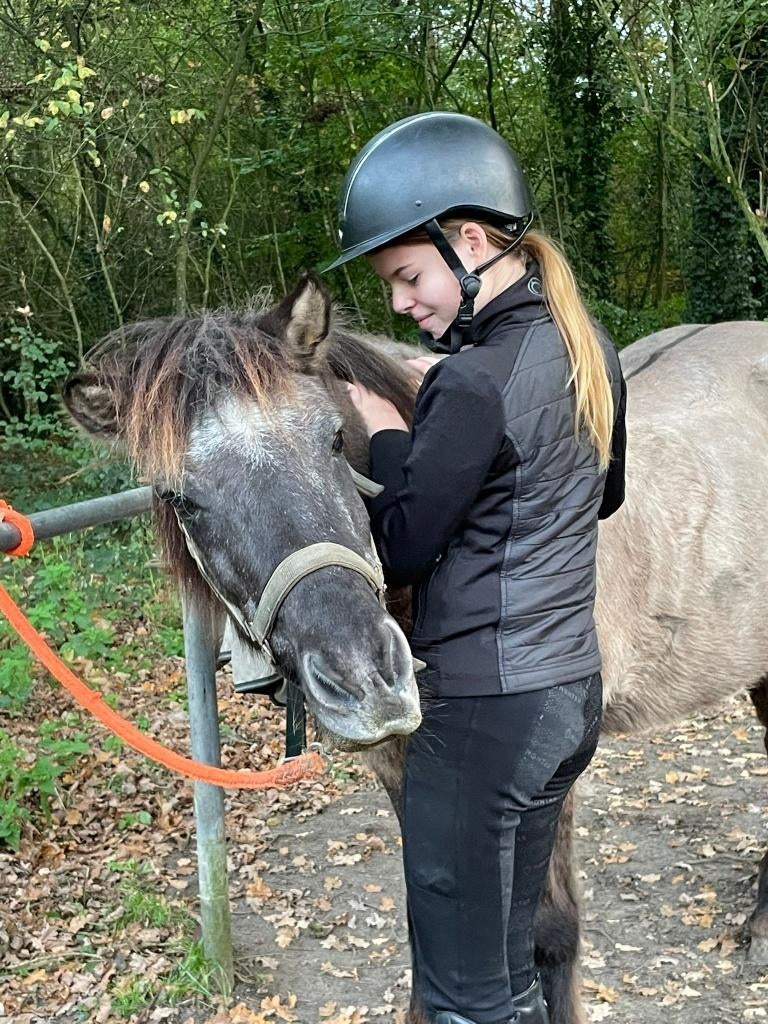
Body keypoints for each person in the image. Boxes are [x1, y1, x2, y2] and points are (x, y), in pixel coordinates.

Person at [325, 111, 627, 1024]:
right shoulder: (590, 350)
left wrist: (383, 433)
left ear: (468, 241)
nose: (401, 304)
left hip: (484, 719)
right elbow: (601, 497)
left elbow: (406, 544)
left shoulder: (471, 380)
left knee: (463, 997)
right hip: (567, 699)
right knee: (510, 973)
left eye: (408, 277)